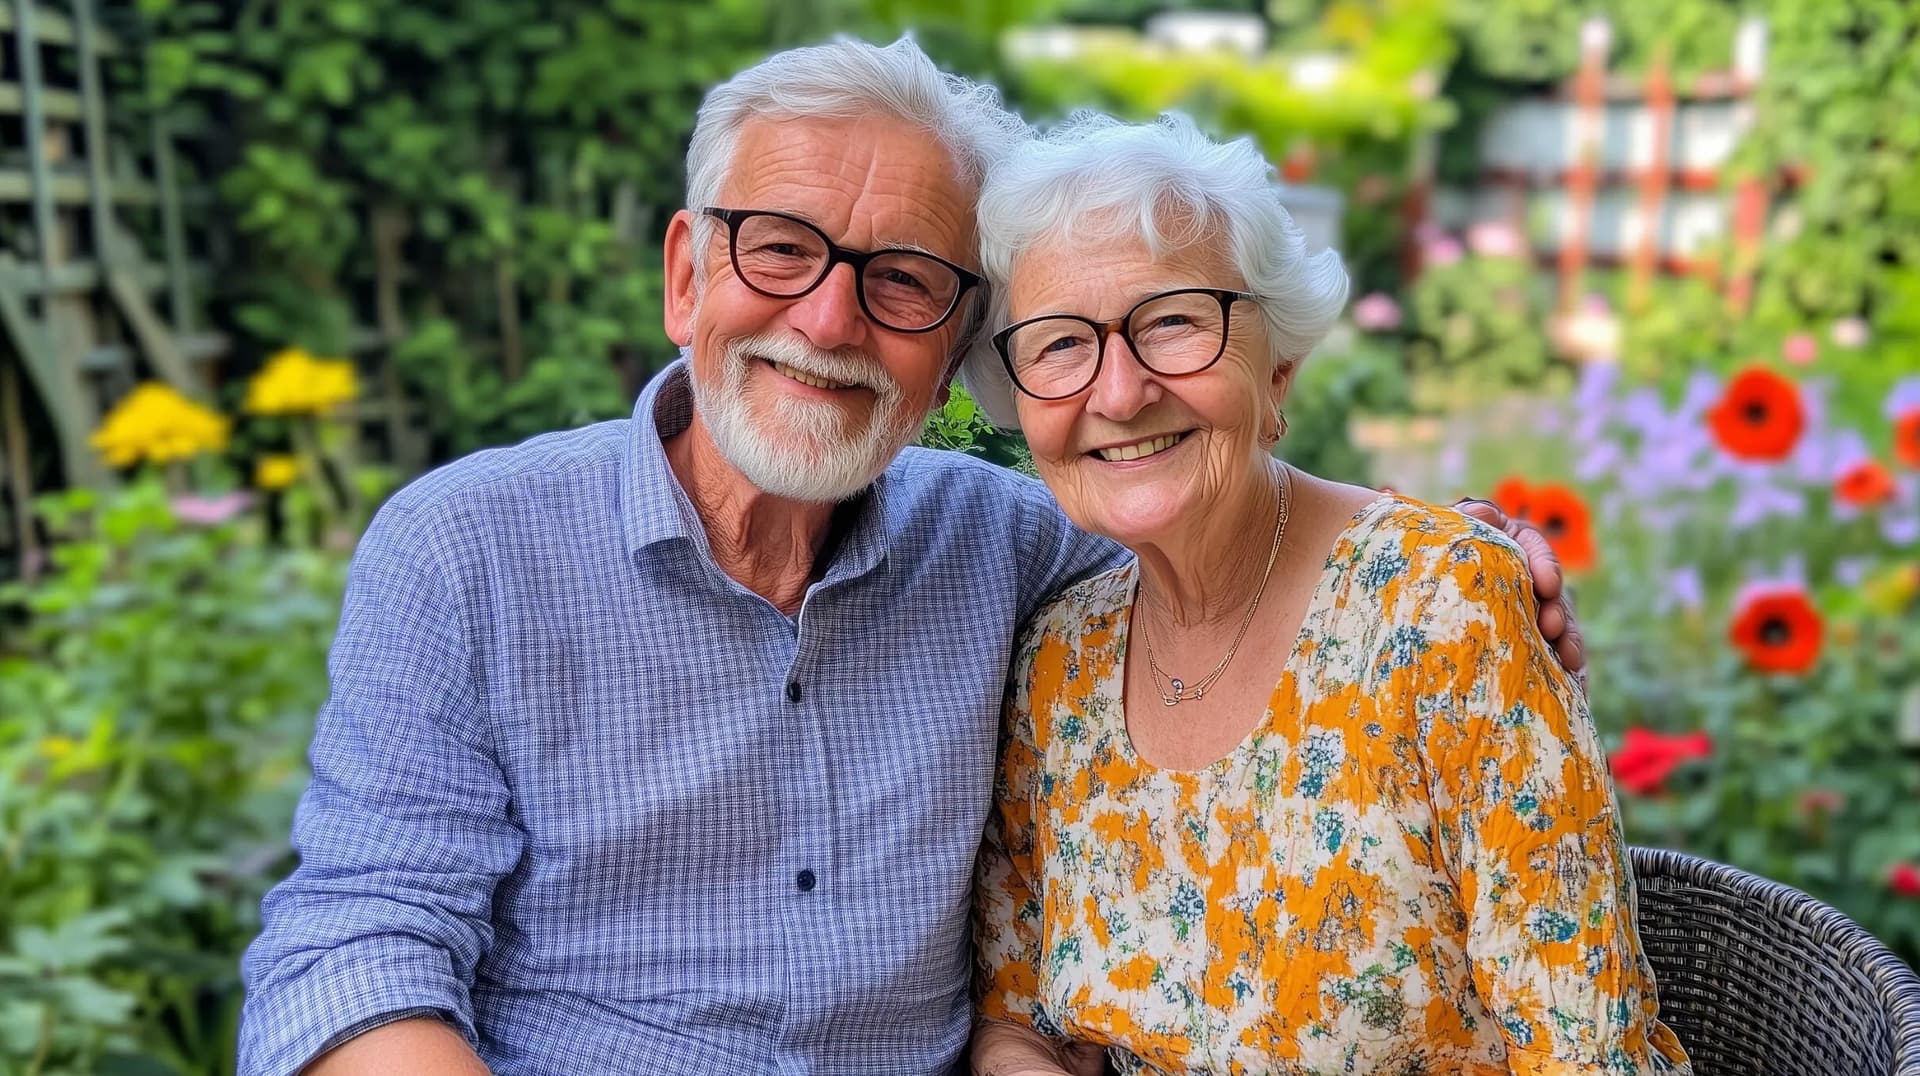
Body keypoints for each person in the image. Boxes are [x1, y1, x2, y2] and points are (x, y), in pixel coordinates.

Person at [237, 39, 1583, 1076]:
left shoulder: (1010, 549)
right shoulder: (465, 548)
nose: (830, 320)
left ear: (952, 352)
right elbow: (357, 945)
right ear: (687, 276)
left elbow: (1208, 505)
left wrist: (1450, 555)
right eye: (780, 249)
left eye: (901, 279)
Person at [965, 113, 1686, 1076]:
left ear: (1278, 365)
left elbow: (1587, 1054)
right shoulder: (1059, 663)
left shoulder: (1441, 606)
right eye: (1060, 343)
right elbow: (1017, 1014)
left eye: (1173, 321)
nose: (1122, 392)